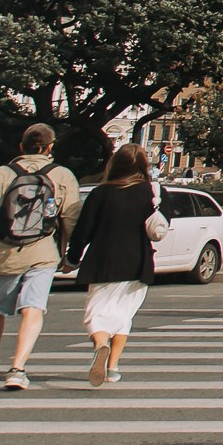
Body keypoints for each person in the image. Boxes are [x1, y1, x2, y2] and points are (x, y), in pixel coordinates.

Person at [0, 123, 82, 392]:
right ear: (50, 148)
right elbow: (71, 219)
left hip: (2, 252)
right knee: (33, 309)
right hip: (43, 252)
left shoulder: (1, 174)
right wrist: (72, 255)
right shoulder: (62, 175)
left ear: (21, 146)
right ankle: (18, 369)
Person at [65, 144, 158, 386]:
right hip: (138, 260)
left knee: (95, 312)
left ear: (114, 164)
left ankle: (100, 344)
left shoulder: (101, 193)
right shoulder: (153, 192)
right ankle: (113, 366)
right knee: (124, 314)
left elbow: (83, 232)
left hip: (103, 259)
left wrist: (72, 259)